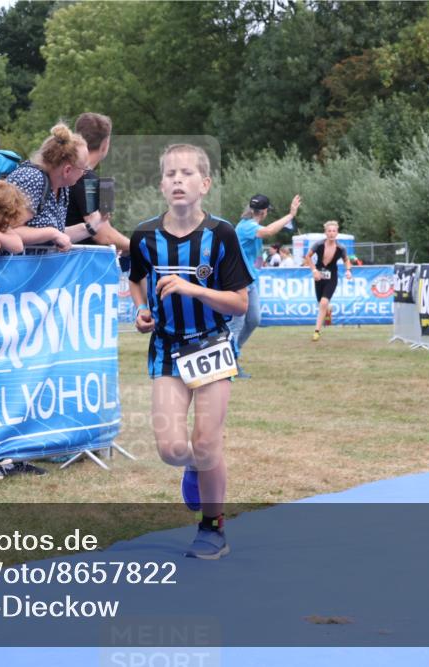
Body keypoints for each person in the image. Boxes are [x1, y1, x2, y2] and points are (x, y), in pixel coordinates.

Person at [129, 144, 253, 560]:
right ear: (161, 185)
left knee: (207, 441)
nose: (177, 180)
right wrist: (142, 309)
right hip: (165, 346)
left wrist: (192, 288)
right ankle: (192, 467)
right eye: (170, 174)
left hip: (211, 344)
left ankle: (213, 527)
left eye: (186, 173)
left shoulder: (221, 235)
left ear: (205, 184)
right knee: (170, 448)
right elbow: (135, 279)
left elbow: (239, 304)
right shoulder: (145, 236)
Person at [228, 194, 301, 377]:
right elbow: (268, 231)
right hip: (238, 281)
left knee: (254, 320)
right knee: (236, 324)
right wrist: (290, 215)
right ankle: (229, 364)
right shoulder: (246, 226)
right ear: (264, 211)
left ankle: (232, 352)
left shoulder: (251, 225)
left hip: (249, 280)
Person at [7, 123, 110, 251]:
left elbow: (58, 235)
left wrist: (93, 226)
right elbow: (7, 230)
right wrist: (52, 233)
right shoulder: (31, 179)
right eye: (83, 168)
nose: (85, 172)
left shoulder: (62, 187)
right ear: (67, 171)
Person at [65, 112, 130, 254]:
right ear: (105, 144)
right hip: (79, 264)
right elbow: (103, 235)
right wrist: (139, 247)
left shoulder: (66, 172)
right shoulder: (87, 178)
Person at [304, 220, 353, 342]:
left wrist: (348, 270)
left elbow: (346, 260)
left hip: (332, 278)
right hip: (319, 277)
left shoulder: (341, 248)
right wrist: (314, 270)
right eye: (329, 231)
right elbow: (307, 256)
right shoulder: (318, 245)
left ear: (337, 233)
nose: (331, 233)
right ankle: (327, 310)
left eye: (334, 231)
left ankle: (317, 331)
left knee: (323, 303)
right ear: (325, 232)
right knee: (321, 303)